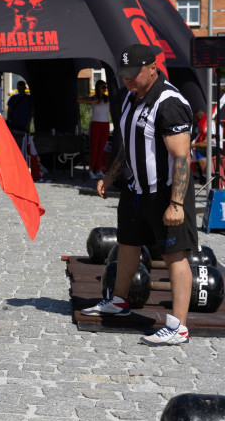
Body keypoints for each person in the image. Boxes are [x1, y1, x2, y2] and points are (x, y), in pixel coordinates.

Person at [84, 44, 197, 347]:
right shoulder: (130, 98)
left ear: (152, 68)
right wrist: (111, 174)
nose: (129, 80)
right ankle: (119, 301)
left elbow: (182, 157)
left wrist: (176, 203)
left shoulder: (168, 101)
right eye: (124, 75)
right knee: (128, 245)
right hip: (136, 189)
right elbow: (128, 143)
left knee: (175, 255)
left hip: (166, 191)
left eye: (134, 74)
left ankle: (179, 326)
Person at [78, 79, 111, 179]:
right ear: (98, 88)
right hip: (95, 124)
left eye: (105, 87)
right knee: (94, 148)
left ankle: (98, 169)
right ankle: (91, 170)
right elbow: (79, 100)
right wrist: (93, 101)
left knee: (101, 149)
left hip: (105, 124)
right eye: (103, 87)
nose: (104, 89)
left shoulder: (108, 99)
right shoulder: (94, 99)